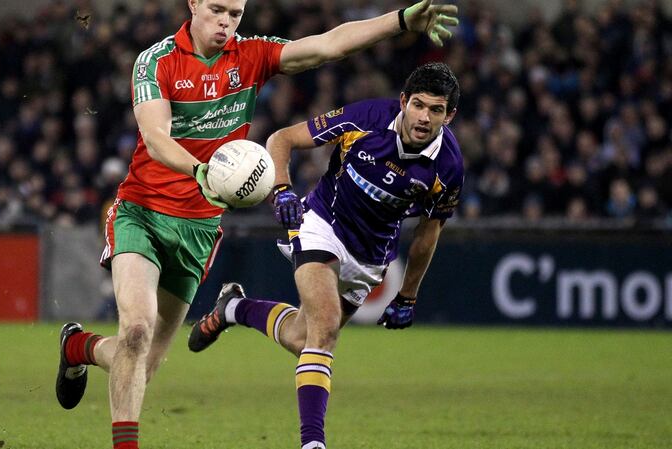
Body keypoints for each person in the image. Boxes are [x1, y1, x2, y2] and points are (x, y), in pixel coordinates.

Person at [54, 1, 459, 448]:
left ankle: (78, 347)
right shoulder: (156, 60)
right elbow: (155, 137)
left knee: (142, 362)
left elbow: (327, 45)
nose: (226, 21)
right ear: (193, 4)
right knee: (136, 329)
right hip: (142, 211)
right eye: (217, 9)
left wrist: (400, 21)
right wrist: (200, 172)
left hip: (200, 227)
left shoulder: (251, 56)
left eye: (236, 13)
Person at [188, 62, 464, 449]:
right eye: (418, 105)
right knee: (327, 325)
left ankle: (235, 308)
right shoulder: (366, 118)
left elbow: (428, 234)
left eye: (436, 110)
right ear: (403, 101)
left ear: (448, 115)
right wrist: (282, 189)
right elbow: (282, 139)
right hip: (321, 224)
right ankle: (313, 443)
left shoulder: (448, 165)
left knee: (304, 338)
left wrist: (408, 295)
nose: (424, 117)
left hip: (370, 257)